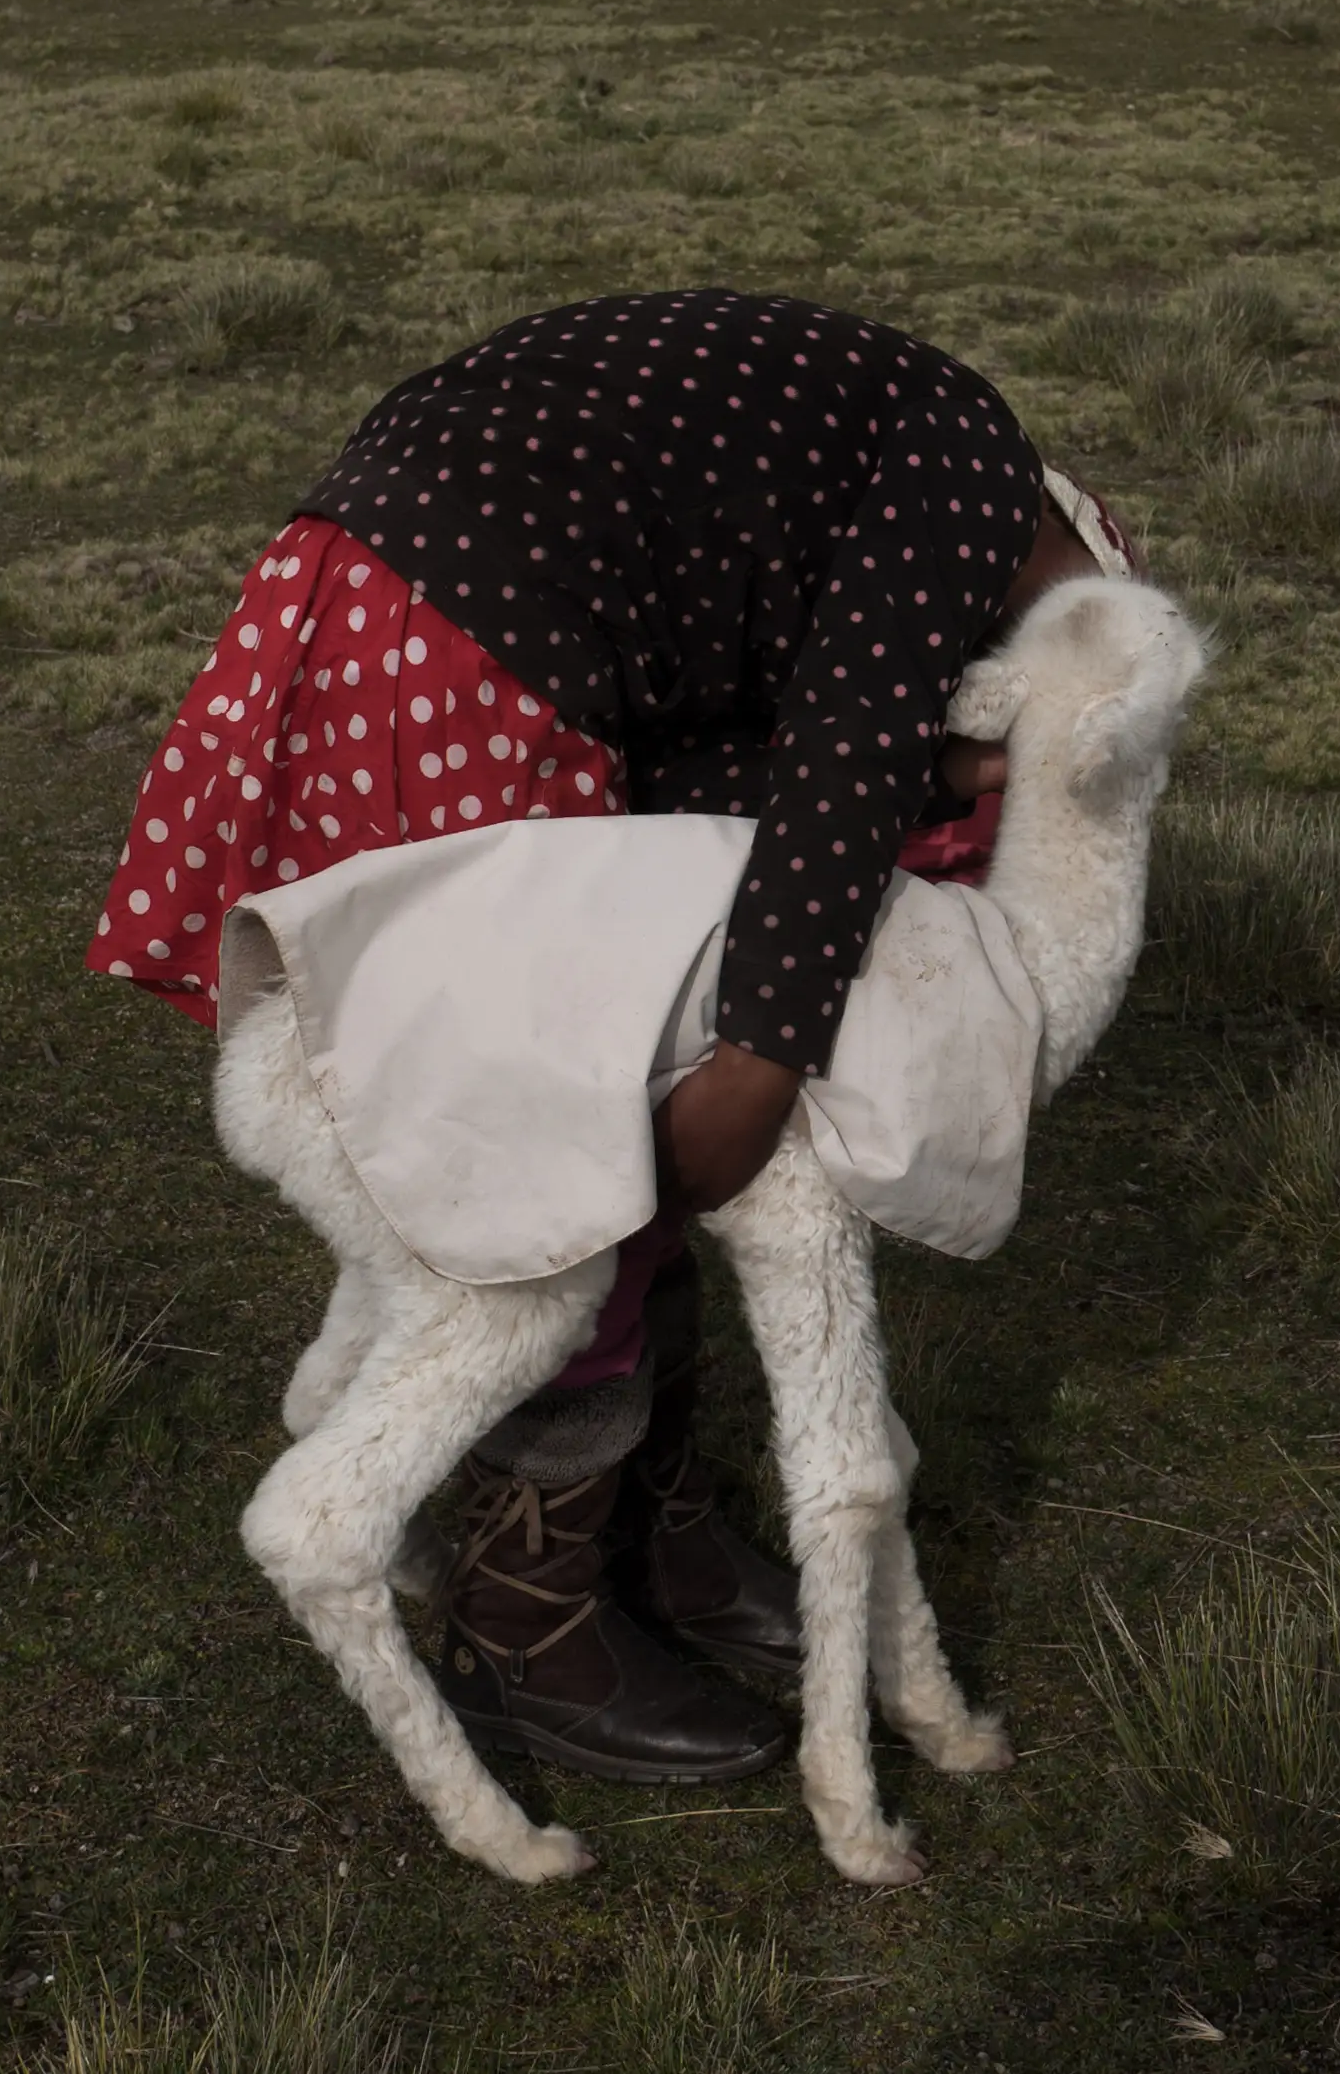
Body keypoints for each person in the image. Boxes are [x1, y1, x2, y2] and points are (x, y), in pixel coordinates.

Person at [91, 287, 1124, 1784]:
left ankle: (655, 1530)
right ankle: (528, 1618)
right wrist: (764, 1060)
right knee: (554, 1140)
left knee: (612, 1080)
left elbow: (732, 755)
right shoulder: (966, 492)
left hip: (428, 593)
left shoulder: (884, 468)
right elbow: (835, 774)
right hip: (460, 640)